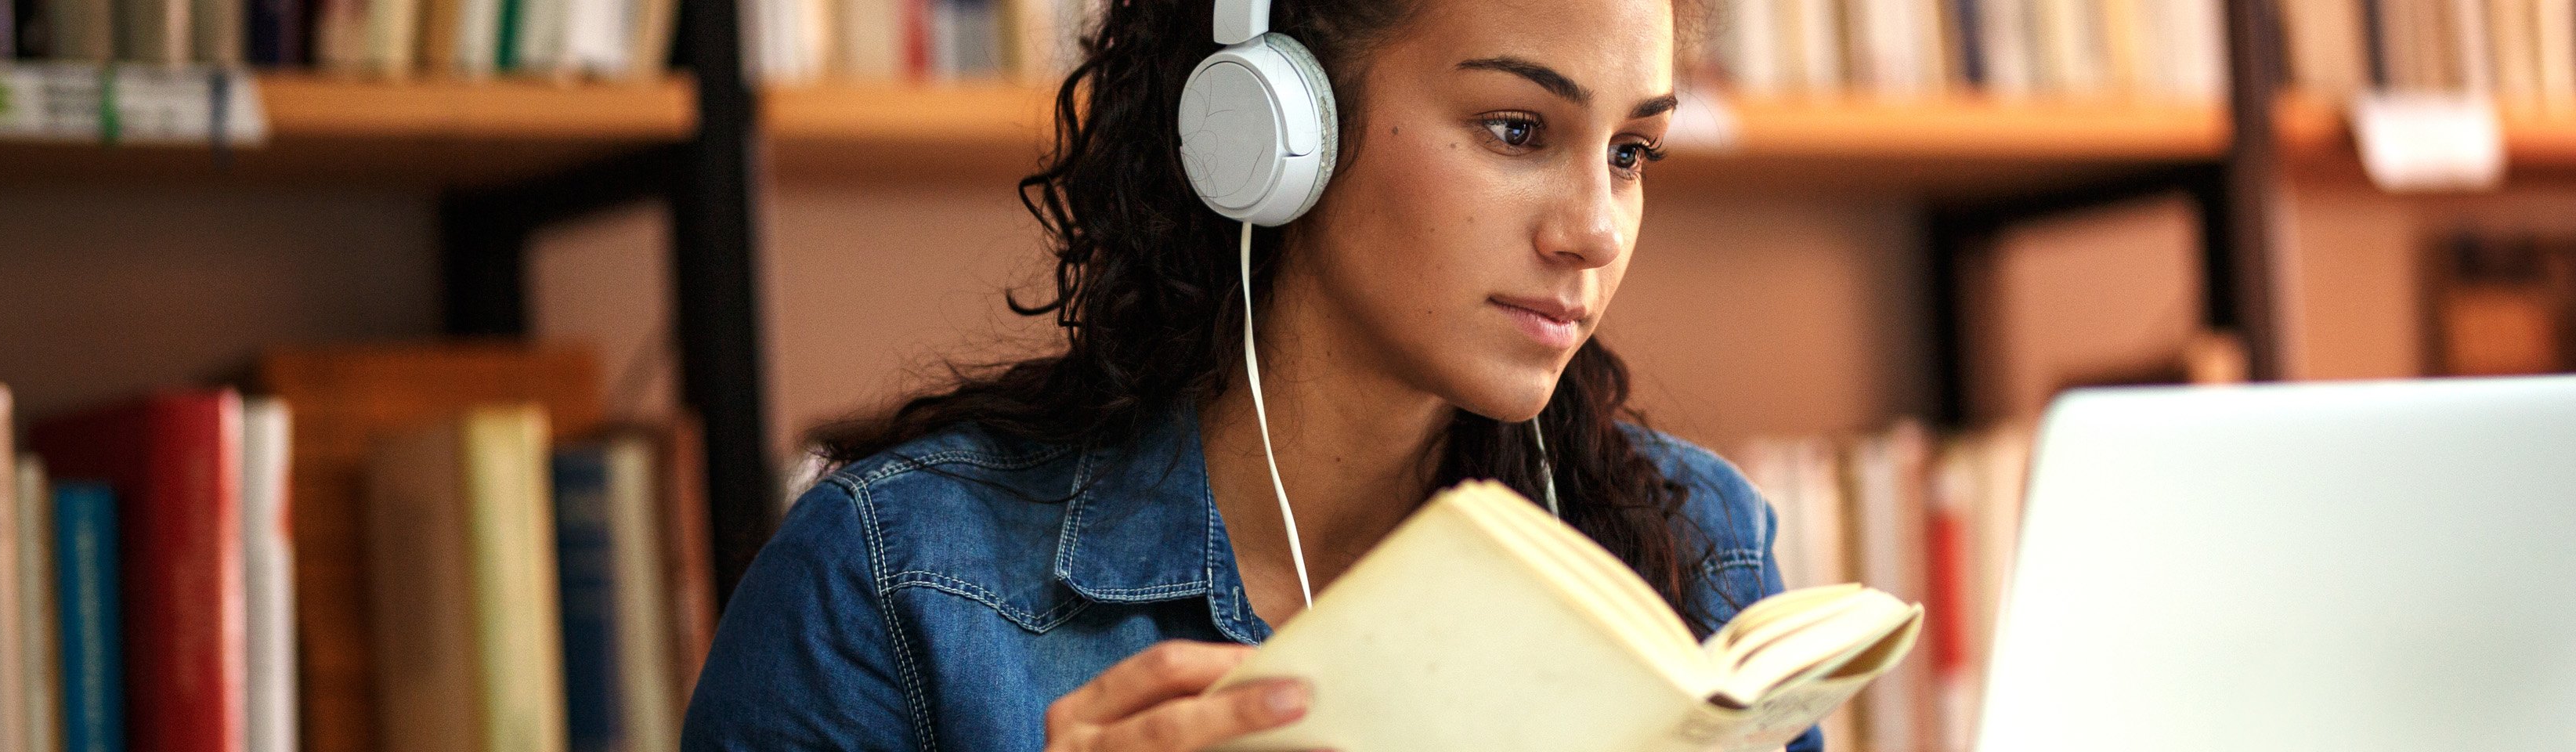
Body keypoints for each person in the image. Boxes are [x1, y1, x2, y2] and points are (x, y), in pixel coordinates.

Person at [681, 0, 1821, 749]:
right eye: (1518, 129)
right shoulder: (892, 588)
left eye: (1631, 154)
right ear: (1273, 132)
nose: (1596, 230)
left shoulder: (1699, 555)